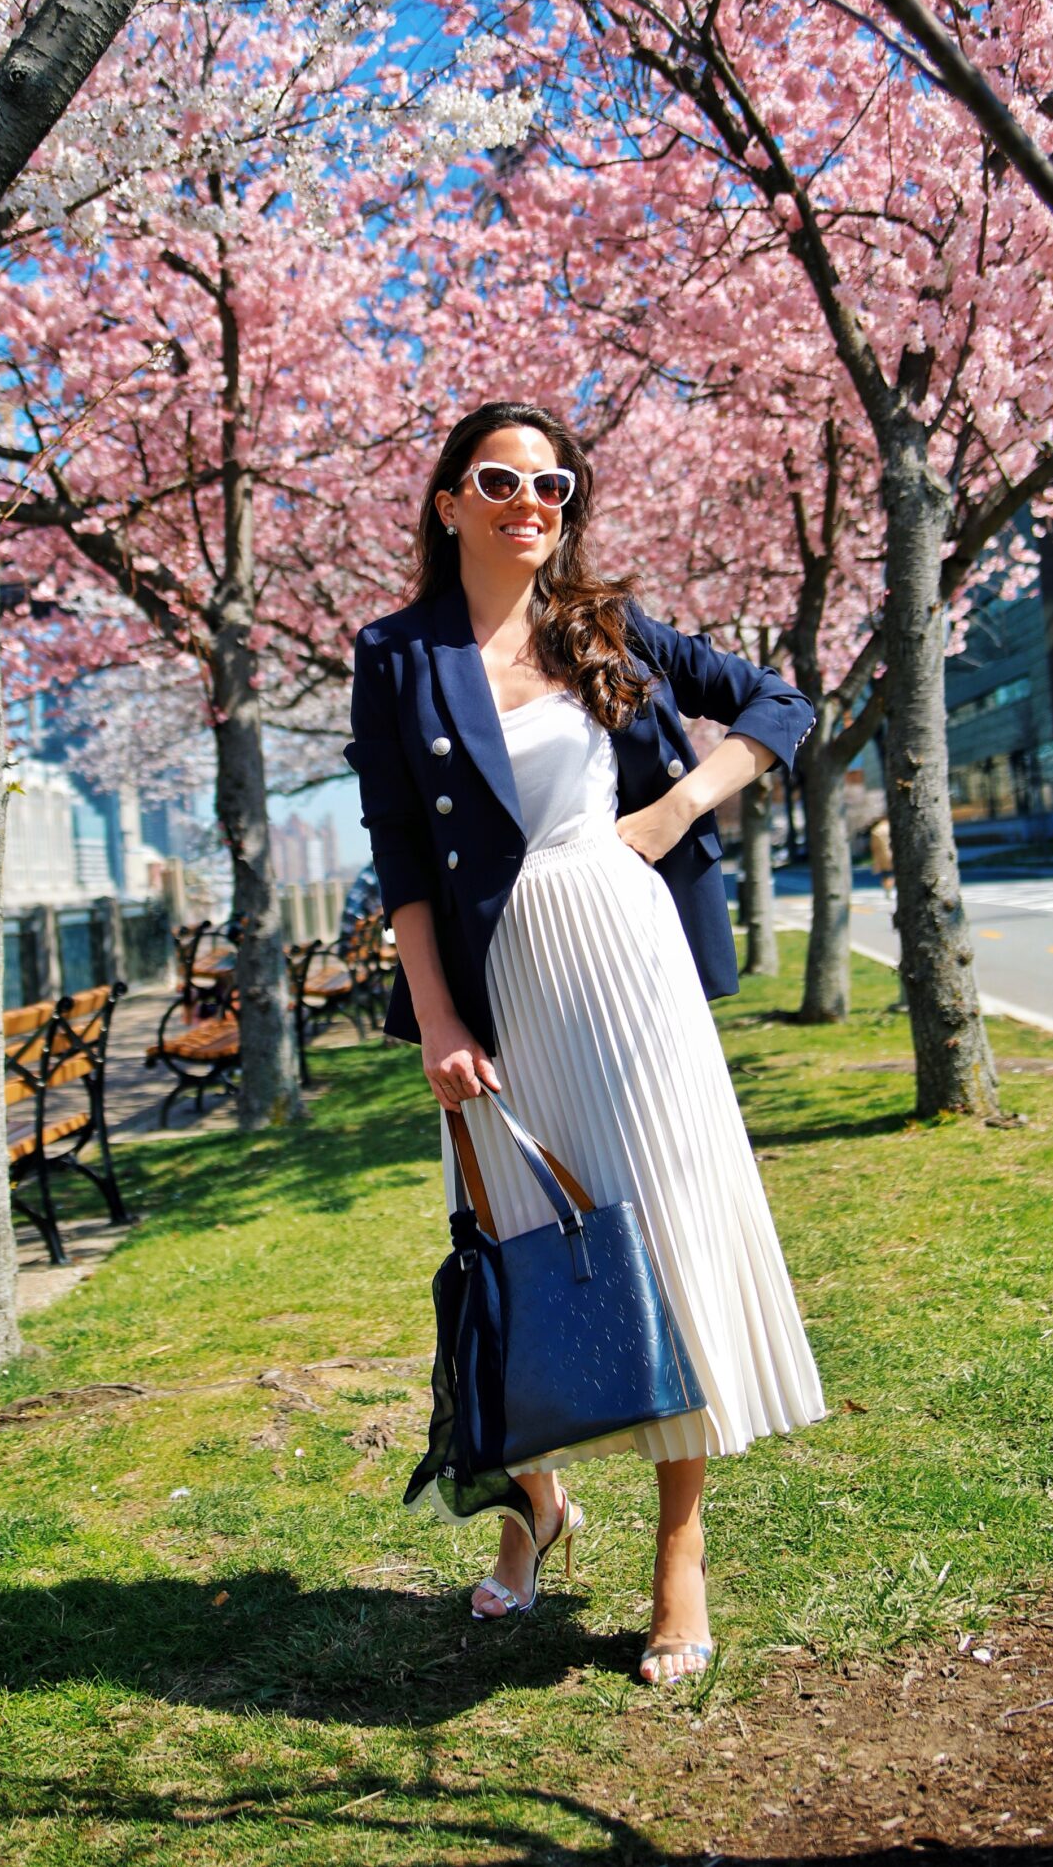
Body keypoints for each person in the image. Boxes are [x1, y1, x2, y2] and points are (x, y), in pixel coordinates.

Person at [343, 401, 828, 1686]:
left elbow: (782, 703)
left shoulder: (605, 628)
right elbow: (399, 851)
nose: (529, 500)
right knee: (512, 1244)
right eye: (498, 477)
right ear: (448, 499)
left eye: (552, 482)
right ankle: (535, 1506)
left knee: (656, 1228)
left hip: (624, 956)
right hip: (497, 988)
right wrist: (438, 1013)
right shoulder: (394, 654)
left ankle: (682, 1550)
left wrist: (674, 809)